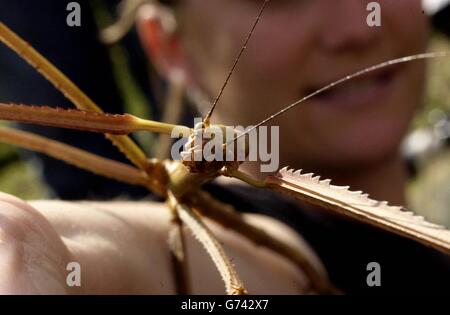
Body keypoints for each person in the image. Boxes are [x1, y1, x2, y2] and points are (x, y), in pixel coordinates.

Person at [0, 0, 448, 294]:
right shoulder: (262, 256)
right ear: (168, 46)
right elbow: (120, 254)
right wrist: (36, 242)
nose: (357, 27)